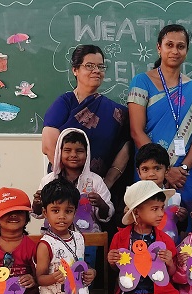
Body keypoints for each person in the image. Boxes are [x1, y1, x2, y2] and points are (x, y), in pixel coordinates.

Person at [127, 24, 192, 210]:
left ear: (186, 51)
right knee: (149, 212)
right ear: (159, 48)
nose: (175, 51)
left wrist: (183, 168)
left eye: (180, 46)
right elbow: (136, 131)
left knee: (186, 214)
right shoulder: (142, 81)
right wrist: (163, 170)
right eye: (169, 45)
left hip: (186, 171)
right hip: (150, 169)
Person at [41, 44, 131, 198]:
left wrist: (105, 185)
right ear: (75, 70)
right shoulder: (64, 103)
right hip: (62, 190)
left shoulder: (116, 112)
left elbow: (125, 148)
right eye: (89, 66)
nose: (96, 71)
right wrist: (69, 184)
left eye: (100, 66)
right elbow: (49, 146)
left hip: (98, 191)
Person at [107, 181, 179, 294]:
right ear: (137, 212)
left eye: (162, 208)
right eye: (155, 209)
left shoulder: (165, 240)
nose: (161, 213)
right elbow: (117, 269)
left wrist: (170, 263)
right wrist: (112, 261)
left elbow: (172, 274)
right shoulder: (120, 237)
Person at [36, 127, 114, 232]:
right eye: (67, 150)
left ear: (87, 153)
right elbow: (39, 213)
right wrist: (37, 203)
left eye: (79, 151)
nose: (73, 155)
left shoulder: (95, 181)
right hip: (53, 237)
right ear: (59, 152)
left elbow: (107, 215)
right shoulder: (48, 180)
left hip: (88, 237)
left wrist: (101, 204)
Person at [134, 142, 186, 238]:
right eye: (145, 169)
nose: (151, 174)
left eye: (157, 168)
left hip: (169, 245)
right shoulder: (132, 197)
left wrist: (182, 218)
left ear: (167, 170)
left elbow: (179, 229)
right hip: (139, 245)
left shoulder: (175, 198)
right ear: (138, 172)